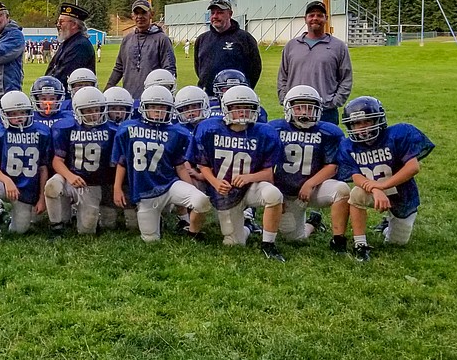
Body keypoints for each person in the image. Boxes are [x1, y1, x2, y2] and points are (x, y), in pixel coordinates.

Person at [332, 96, 434, 262]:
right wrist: (375, 189)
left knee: (397, 243)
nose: (362, 128)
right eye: (357, 124)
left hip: (402, 195)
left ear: (378, 119)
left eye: (367, 122)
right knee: (357, 194)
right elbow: (356, 176)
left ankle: (388, 226)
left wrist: (382, 185)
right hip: (371, 191)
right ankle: (360, 244)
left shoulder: (398, 134)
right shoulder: (348, 145)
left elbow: (413, 167)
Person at [188, 85, 285, 260]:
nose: (242, 112)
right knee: (233, 242)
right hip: (224, 191)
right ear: (226, 108)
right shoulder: (209, 129)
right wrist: (216, 182)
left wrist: (249, 177)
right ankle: (247, 226)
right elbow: (203, 165)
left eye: (247, 107)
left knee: (273, 194)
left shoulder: (265, 133)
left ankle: (268, 244)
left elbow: (268, 174)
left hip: (251, 188)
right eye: (237, 107)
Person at [110, 85, 210, 243]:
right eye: (153, 107)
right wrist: (117, 188)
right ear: (144, 108)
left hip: (169, 185)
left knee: (201, 200)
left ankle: (193, 233)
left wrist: (190, 188)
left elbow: (180, 165)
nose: (158, 111)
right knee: (151, 240)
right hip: (144, 191)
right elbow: (122, 162)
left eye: (162, 107)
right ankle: (160, 220)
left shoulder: (176, 132)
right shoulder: (127, 129)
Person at [267, 85, 350, 247]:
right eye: (299, 108)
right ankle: (313, 224)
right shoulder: (274, 129)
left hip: (315, 188)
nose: (304, 113)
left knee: (341, 190)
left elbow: (332, 165)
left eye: (309, 108)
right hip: (286, 191)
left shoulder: (328, 132)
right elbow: (267, 166)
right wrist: (276, 194)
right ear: (288, 108)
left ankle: (338, 240)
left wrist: (310, 183)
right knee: (293, 237)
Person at [0, 91, 51, 240]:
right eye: (13, 113)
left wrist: (42, 197)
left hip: (27, 189)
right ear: (3, 114)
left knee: (19, 231)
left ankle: (2, 211)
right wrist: (7, 181)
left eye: (22, 112)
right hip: (4, 184)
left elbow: (42, 168)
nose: (18, 117)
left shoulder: (41, 132)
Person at [45, 87, 116, 237]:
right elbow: (57, 161)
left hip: (92, 184)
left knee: (87, 231)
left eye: (97, 109)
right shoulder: (66, 128)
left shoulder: (111, 130)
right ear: (78, 111)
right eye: (88, 110)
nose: (94, 114)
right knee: (52, 186)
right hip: (68, 176)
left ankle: (83, 213)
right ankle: (56, 226)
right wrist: (70, 177)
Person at [276, 0, 353, 125]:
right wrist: (285, 99)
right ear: (305, 19)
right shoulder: (291, 46)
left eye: (319, 15)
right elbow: (282, 77)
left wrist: (334, 102)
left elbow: (346, 78)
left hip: (325, 112)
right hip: (296, 109)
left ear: (326, 18)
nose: (315, 18)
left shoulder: (338, 46)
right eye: (311, 15)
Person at [105, 0, 176, 100]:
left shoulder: (162, 39)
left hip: (153, 101)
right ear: (132, 16)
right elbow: (119, 67)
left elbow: (170, 71)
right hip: (129, 99)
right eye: (136, 13)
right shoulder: (127, 39)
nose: (140, 16)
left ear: (151, 14)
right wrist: (108, 87)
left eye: (143, 13)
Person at [193, 0, 261, 96]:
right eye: (212, 13)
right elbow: (199, 68)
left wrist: (245, 90)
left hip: (235, 100)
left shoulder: (245, 39)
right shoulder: (202, 39)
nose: (215, 16)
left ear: (230, 14)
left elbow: (255, 70)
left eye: (220, 12)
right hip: (207, 97)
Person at [45, 3, 96, 87]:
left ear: (74, 25)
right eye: (58, 22)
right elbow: (52, 68)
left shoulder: (80, 46)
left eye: (61, 22)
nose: (58, 25)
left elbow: (65, 76)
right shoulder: (68, 43)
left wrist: (48, 86)